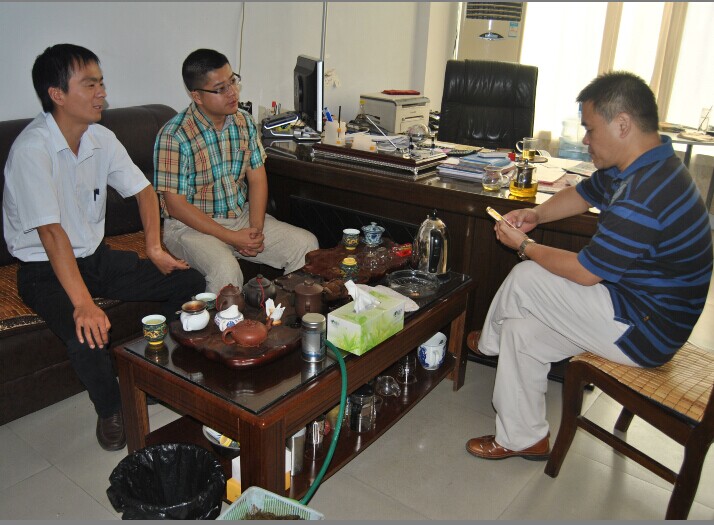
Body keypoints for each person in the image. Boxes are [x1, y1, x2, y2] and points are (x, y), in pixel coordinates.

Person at [465, 71, 713, 461]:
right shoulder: (640, 164)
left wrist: (525, 245)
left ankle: (487, 343)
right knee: (521, 329)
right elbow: (583, 194)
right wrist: (535, 215)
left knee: (527, 276)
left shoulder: (646, 191)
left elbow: (585, 272)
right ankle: (524, 437)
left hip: (647, 331)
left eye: (590, 128)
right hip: (631, 304)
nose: (584, 139)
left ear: (623, 124)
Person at [2, 44, 206, 451]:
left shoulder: (100, 137)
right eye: (90, 84)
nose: (102, 93)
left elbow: (144, 191)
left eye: (101, 83)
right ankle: (111, 409)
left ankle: (151, 370)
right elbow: (51, 234)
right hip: (43, 268)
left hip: (93, 257)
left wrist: (154, 248)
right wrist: (82, 303)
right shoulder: (31, 151)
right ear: (57, 94)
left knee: (189, 283)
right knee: (87, 331)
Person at [153, 48, 318, 294]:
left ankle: (279, 314)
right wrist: (231, 237)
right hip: (189, 227)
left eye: (232, 81)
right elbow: (175, 205)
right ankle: (224, 322)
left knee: (306, 245)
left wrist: (255, 230)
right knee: (225, 269)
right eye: (221, 88)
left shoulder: (244, 122)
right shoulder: (174, 135)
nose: (233, 92)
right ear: (197, 96)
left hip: (240, 216)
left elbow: (257, 179)